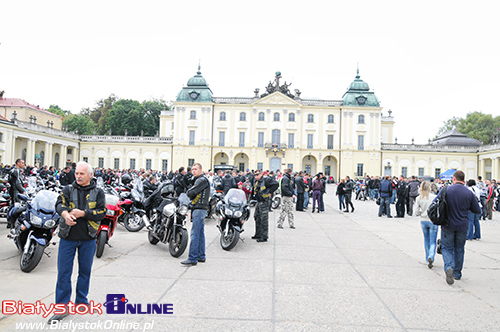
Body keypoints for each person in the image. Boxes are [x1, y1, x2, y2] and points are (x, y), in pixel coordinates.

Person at [49, 161, 106, 324]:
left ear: (90, 175)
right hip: (68, 238)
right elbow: (59, 204)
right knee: (64, 273)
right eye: (77, 173)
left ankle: (81, 301)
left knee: (85, 272)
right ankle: (62, 307)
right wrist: (66, 214)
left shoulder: (98, 192)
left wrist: (84, 213)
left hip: (88, 238)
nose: (78, 176)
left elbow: (102, 212)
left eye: (82, 173)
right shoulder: (67, 189)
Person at [436, 170, 481, 285]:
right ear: (463, 179)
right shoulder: (469, 193)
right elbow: (477, 210)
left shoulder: (446, 190)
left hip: (447, 224)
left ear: (454, 179)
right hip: (462, 225)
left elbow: (435, 202)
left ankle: (449, 267)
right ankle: (457, 273)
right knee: (459, 249)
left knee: (446, 247)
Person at [182, 163, 211, 266]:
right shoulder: (201, 180)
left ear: (201, 170)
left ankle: (193, 258)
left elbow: (191, 192)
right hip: (200, 209)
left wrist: (189, 191)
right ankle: (201, 256)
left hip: (199, 209)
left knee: (195, 234)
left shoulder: (201, 180)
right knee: (200, 233)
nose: (193, 171)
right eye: (192, 169)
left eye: (196, 169)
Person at [414, 181, 438, 268]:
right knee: (433, 241)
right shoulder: (434, 197)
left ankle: (427, 257)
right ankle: (431, 255)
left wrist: (422, 212)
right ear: (429, 187)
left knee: (426, 240)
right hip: (433, 221)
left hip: (423, 220)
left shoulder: (418, 198)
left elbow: (416, 212)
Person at [251, 170, 278, 242]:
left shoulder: (266, 179)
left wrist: (269, 192)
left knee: (264, 220)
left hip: (264, 202)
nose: (256, 176)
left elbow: (276, 184)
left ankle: (264, 236)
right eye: (255, 175)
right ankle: (258, 234)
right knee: (257, 217)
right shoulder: (257, 181)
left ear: (260, 174)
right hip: (258, 202)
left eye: (257, 175)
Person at [7, 159, 25, 228]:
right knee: (17, 207)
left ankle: (10, 223)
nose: (23, 164)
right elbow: (17, 182)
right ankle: (13, 223)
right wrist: (22, 190)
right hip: (16, 191)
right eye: (22, 163)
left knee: (13, 206)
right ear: (18, 163)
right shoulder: (16, 171)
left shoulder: (14, 170)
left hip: (13, 190)